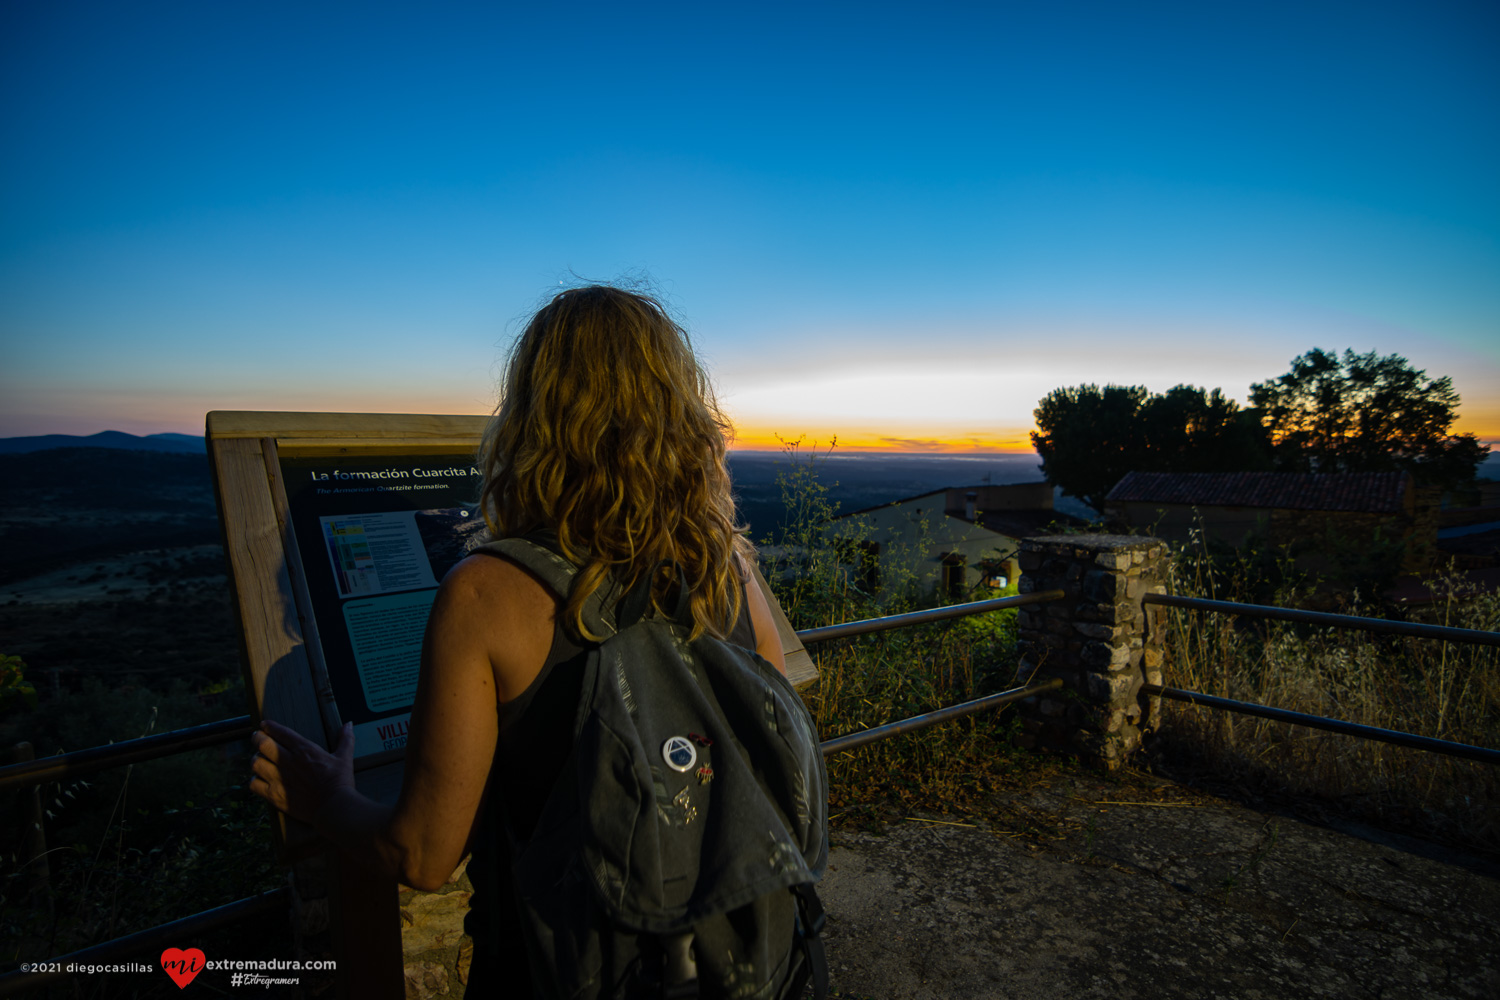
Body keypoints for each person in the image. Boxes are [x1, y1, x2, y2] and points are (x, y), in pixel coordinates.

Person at [248, 285, 787, 994]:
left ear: (535, 415)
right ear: (678, 412)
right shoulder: (732, 572)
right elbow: (773, 761)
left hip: (558, 967)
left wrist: (325, 800)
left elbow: (423, 853)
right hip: (727, 959)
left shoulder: (484, 593)